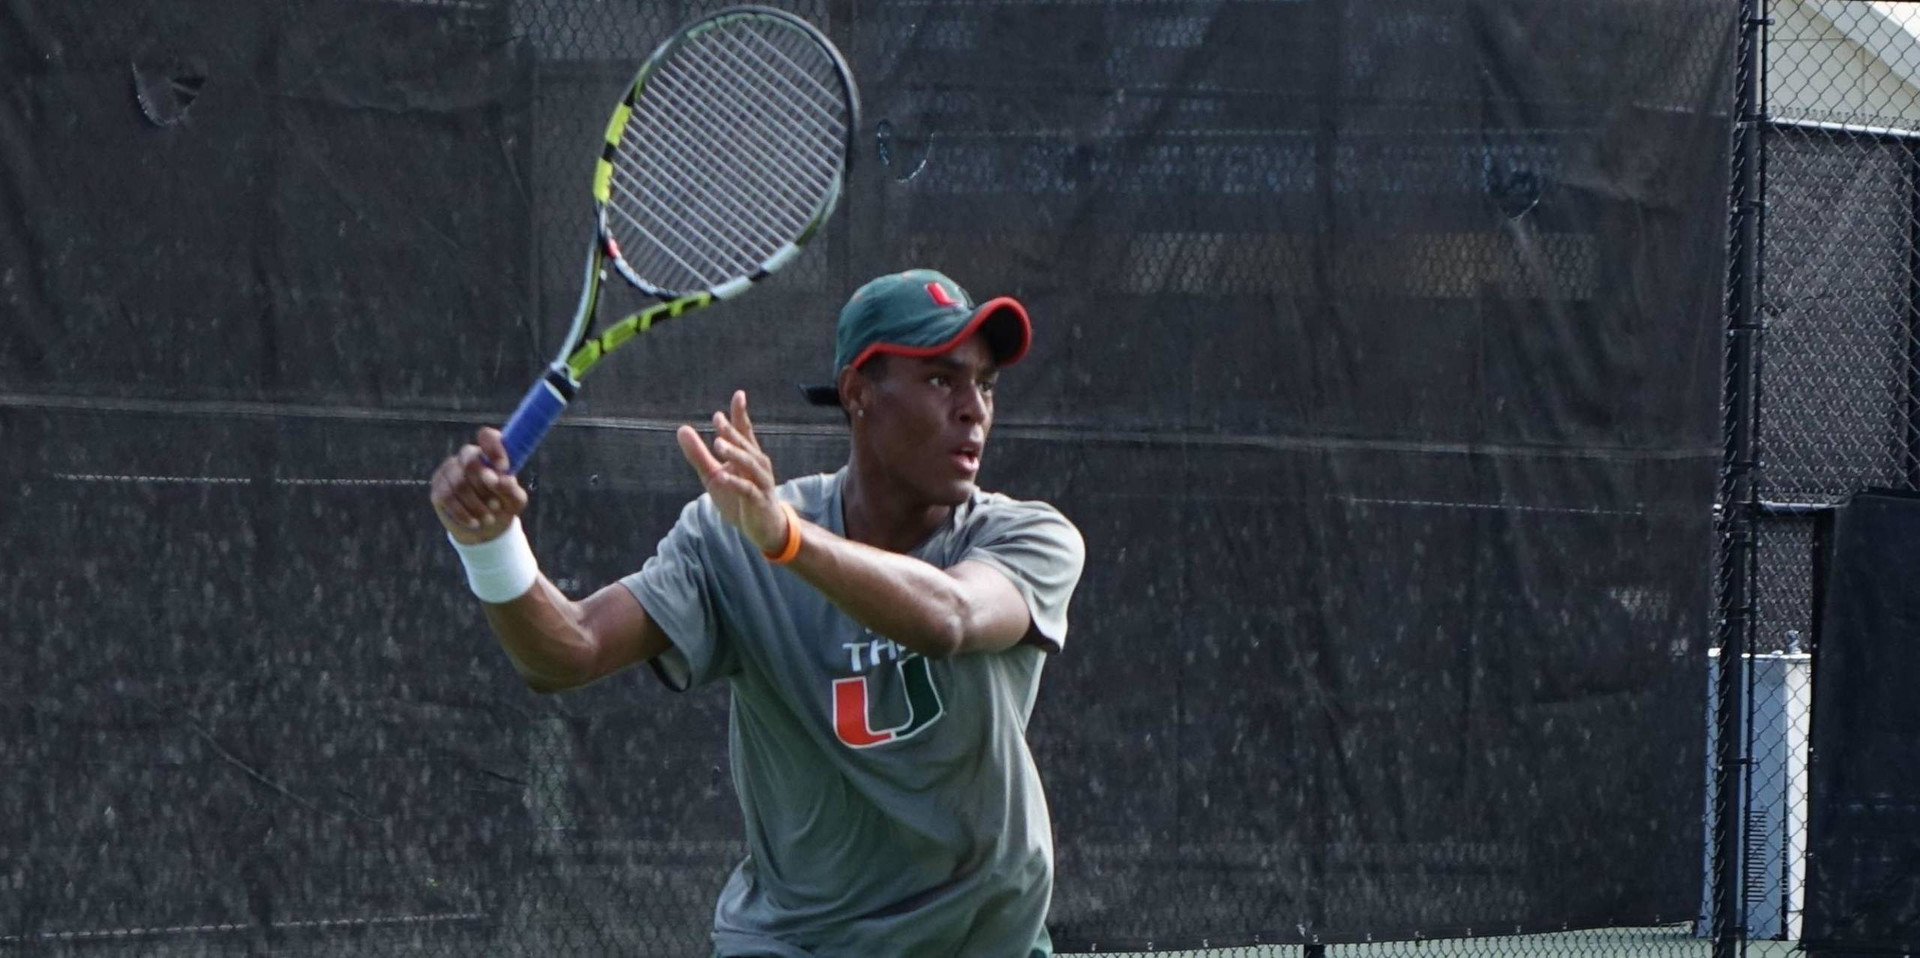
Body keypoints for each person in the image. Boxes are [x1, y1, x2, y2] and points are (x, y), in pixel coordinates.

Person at [429, 269, 1087, 957]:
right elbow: (567, 651)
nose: (973, 409)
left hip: (982, 944)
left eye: (984, 384)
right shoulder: (733, 533)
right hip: (795, 945)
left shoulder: (1028, 538)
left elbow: (950, 617)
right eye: (940, 380)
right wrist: (490, 543)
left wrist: (786, 540)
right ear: (858, 393)